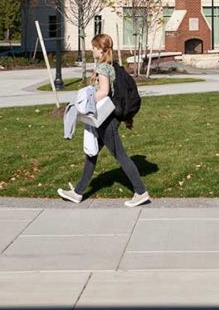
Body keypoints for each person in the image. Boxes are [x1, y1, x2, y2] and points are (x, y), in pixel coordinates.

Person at [58, 33, 150, 207]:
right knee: (91, 153)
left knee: (121, 155)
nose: (92, 49)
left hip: (106, 120)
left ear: (100, 49)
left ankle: (141, 192)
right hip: (109, 118)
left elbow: (104, 91)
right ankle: (78, 192)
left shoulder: (102, 67)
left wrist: (84, 104)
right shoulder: (111, 65)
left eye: (94, 47)